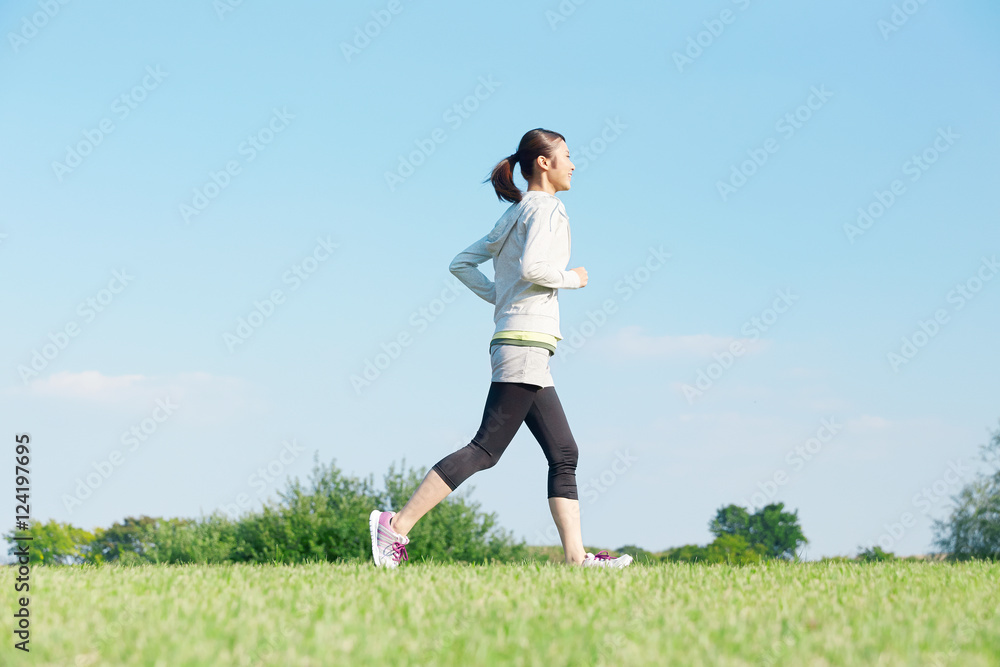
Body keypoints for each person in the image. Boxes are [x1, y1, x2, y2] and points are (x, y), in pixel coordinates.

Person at [368, 128, 632, 569]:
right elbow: (534, 267)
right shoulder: (548, 209)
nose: (572, 163)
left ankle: (575, 559)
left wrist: (501, 296)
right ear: (544, 163)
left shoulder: (514, 214)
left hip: (521, 341)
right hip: (525, 342)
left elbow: (462, 264)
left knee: (564, 453)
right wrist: (573, 278)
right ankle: (395, 525)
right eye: (566, 155)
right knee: (486, 449)